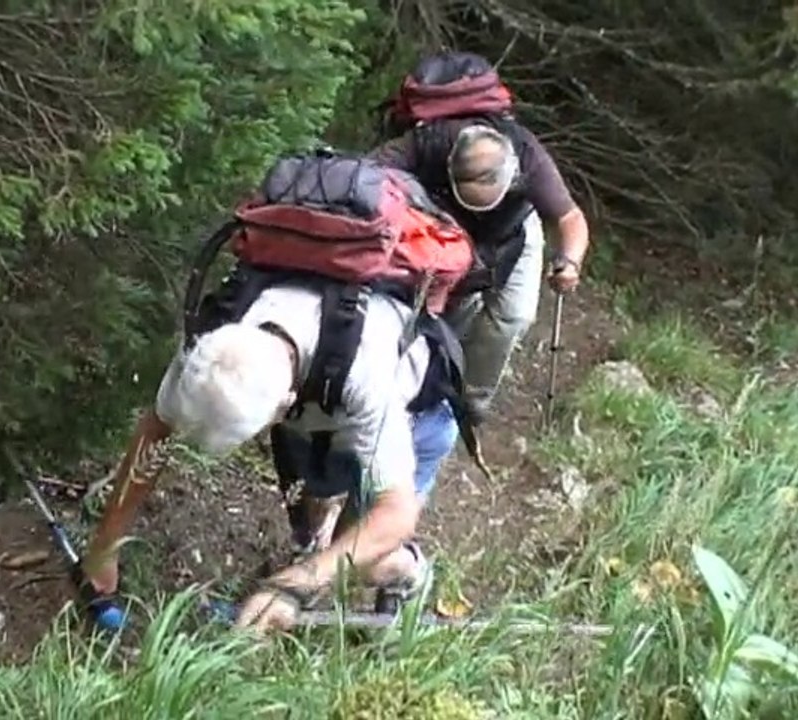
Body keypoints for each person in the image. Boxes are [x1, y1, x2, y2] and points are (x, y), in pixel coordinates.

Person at [80, 281, 461, 635]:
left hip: (416, 418)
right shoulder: (214, 341)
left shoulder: (367, 374)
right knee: (314, 527)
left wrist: (291, 587)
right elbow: (157, 430)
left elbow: (396, 514)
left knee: (365, 557)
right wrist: (104, 547)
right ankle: (314, 543)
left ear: (284, 406)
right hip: (323, 412)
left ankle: (409, 574)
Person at [368, 52, 591, 426]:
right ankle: (429, 389)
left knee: (513, 317)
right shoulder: (425, 143)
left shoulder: (524, 151)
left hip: (515, 229)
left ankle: (471, 398)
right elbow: (364, 176)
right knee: (447, 317)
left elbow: (569, 217)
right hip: (445, 233)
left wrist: (569, 261)